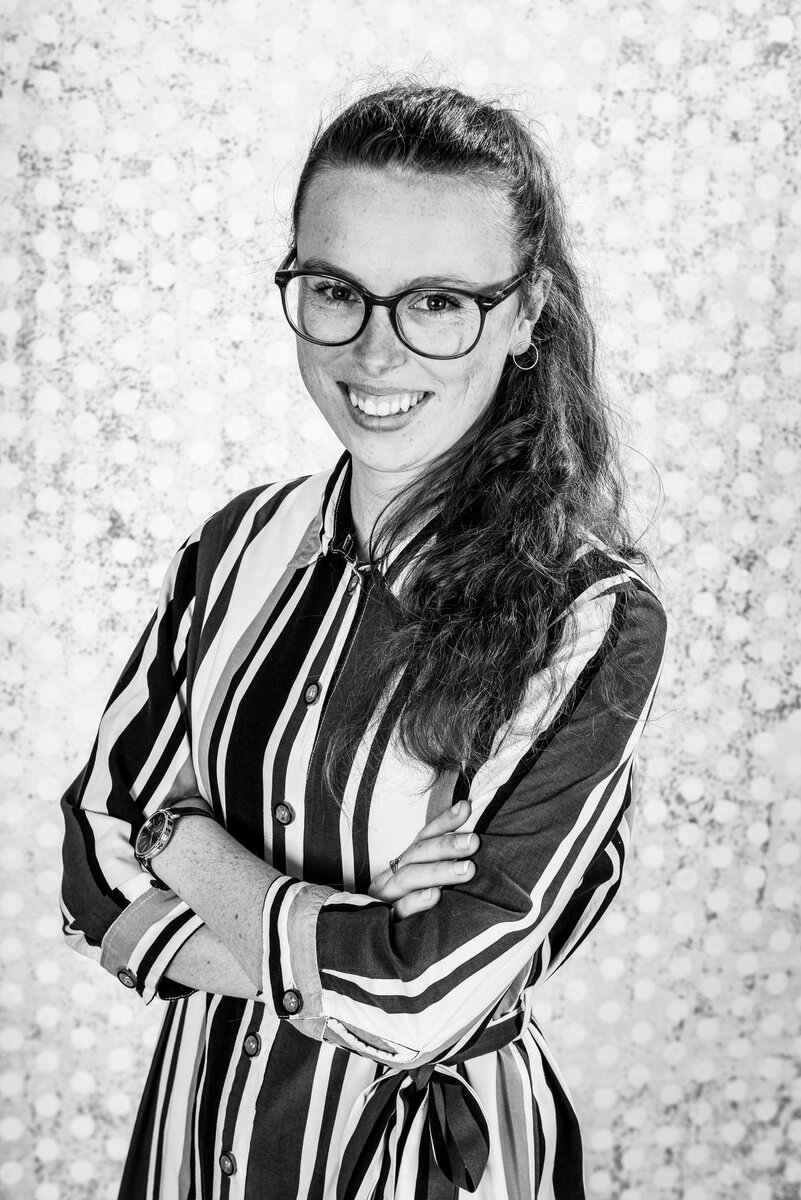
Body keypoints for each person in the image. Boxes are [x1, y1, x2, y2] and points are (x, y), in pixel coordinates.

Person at [59, 82, 668, 1200]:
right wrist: (351, 929)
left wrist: (184, 845)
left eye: (437, 302)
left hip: (416, 1165)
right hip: (193, 1144)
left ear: (525, 313)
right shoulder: (231, 545)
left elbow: (421, 1000)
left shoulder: (587, 613)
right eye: (338, 291)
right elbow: (88, 877)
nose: (377, 353)